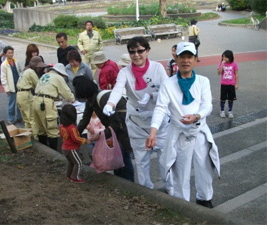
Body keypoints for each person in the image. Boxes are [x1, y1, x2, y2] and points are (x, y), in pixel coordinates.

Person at [146, 42, 220, 208]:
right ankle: (182, 207)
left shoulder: (203, 81)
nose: (186, 60)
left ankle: (204, 201)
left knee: (205, 169)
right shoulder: (168, 84)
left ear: (195, 60)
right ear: (176, 59)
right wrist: (153, 132)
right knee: (180, 172)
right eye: (182, 57)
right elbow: (160, 108)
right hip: (179, 134)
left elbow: (207, 105)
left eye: (189, 57)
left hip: (199, 131)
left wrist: (196, 116)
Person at [102, 36, 170, 191]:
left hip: (158, 120)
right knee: (141, 160)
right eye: (132, 52)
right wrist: (110, 103)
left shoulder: (157, 68)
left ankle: (170, 189)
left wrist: (152, 95)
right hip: (137, 121)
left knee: (165, 159)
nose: (136, 55)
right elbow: (118, 88)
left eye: (140, 51)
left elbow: (168, 91)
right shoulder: (125, 72)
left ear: (147, 51)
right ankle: (146, 190)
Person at [73, 76, 135, 182]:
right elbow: (85, 119)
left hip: (122, 129)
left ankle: (129, 183)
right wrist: (74, 134)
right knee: (117, 156)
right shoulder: (91, 100)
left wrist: (102, 134)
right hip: (115, 130)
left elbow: (116, 123)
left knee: (122, 156)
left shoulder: (102, 99)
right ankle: (121, 181)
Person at [32, 63, 75, 151]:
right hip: (46, 102)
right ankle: (54, 151)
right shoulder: (58, 78)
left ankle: (43, 150)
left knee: (41, 128)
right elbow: (67, 93)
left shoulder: (45, 75)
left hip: (35, 100)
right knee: (52, 128)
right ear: (60, 73)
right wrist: (72, 99)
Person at [17, 56, 48, 136]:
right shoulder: (31, 72)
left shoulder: (25, 70)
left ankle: (28, 136)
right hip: (26, 94)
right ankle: (35, 137)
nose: (39, 69)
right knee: (32, 118)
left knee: (26, 119)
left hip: (19, 94)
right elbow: (38, 85)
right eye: (38, 67)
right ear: (35, 65)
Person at [60, 104, 91, 183]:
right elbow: (76, 138)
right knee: (79, 163)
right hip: (72, 149)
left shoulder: (61, 126)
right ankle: (75, 177)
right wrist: (84, 140)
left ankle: (68, 174)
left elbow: (61, 135)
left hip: (65, 147)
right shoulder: (72, 128)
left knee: (71, 162)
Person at [0, 45, 22, 125]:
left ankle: (20, 117)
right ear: (5, 54)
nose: (11, 54)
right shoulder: (4, 65)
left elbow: (20, 71)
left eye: (12, 53)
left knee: (19, 103)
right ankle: (11, 119)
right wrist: (6, 88)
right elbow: (3, 78)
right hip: (11, 87)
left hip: (18, 85)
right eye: (9, 53)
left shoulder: (16, 62)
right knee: (11, 104)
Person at [217, 50, 239, 119]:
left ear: (230, 57)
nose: (224, 59)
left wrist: (236, 84)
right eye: (223, 57)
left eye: (225, 57)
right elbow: (219, 73)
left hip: (231, 84)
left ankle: (230, 111)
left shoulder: (234, 64)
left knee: (231, 99)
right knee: (223, 98)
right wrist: (222, 65)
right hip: (224, 84)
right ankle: (222, 111)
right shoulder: (221, 63)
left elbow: (236, 74)